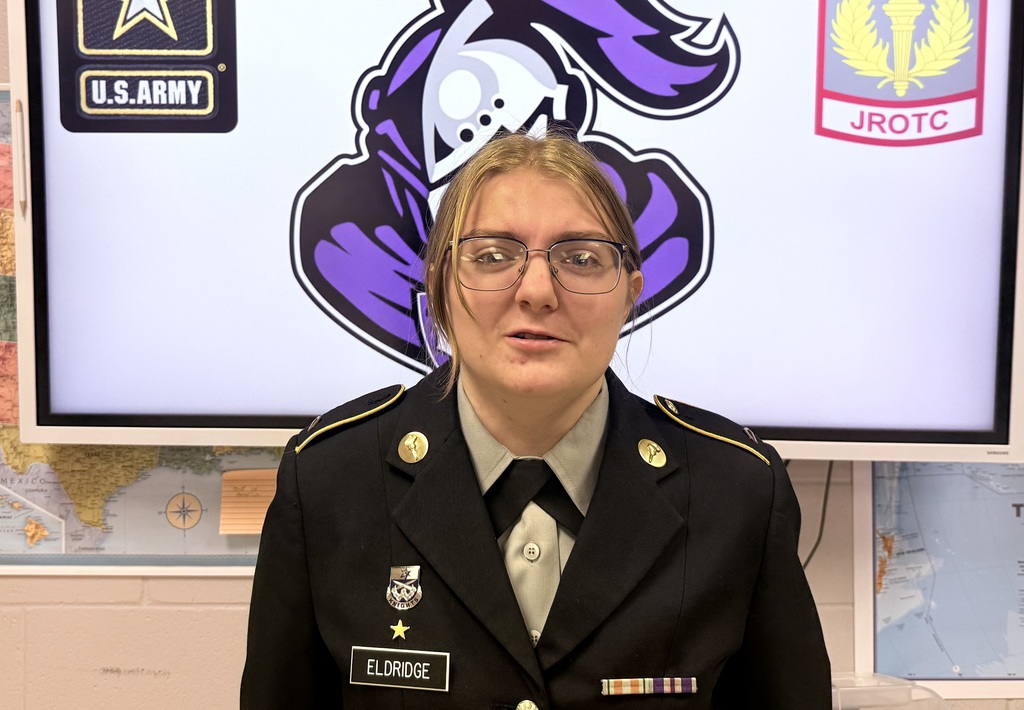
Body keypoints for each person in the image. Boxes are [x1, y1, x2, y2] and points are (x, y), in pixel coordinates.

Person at [241, 130, 832, 708]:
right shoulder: (329, 483)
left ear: (631, 294)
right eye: (494, 255)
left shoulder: (735, 493)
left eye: (581, 258)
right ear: (441, 285)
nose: (538, 291)